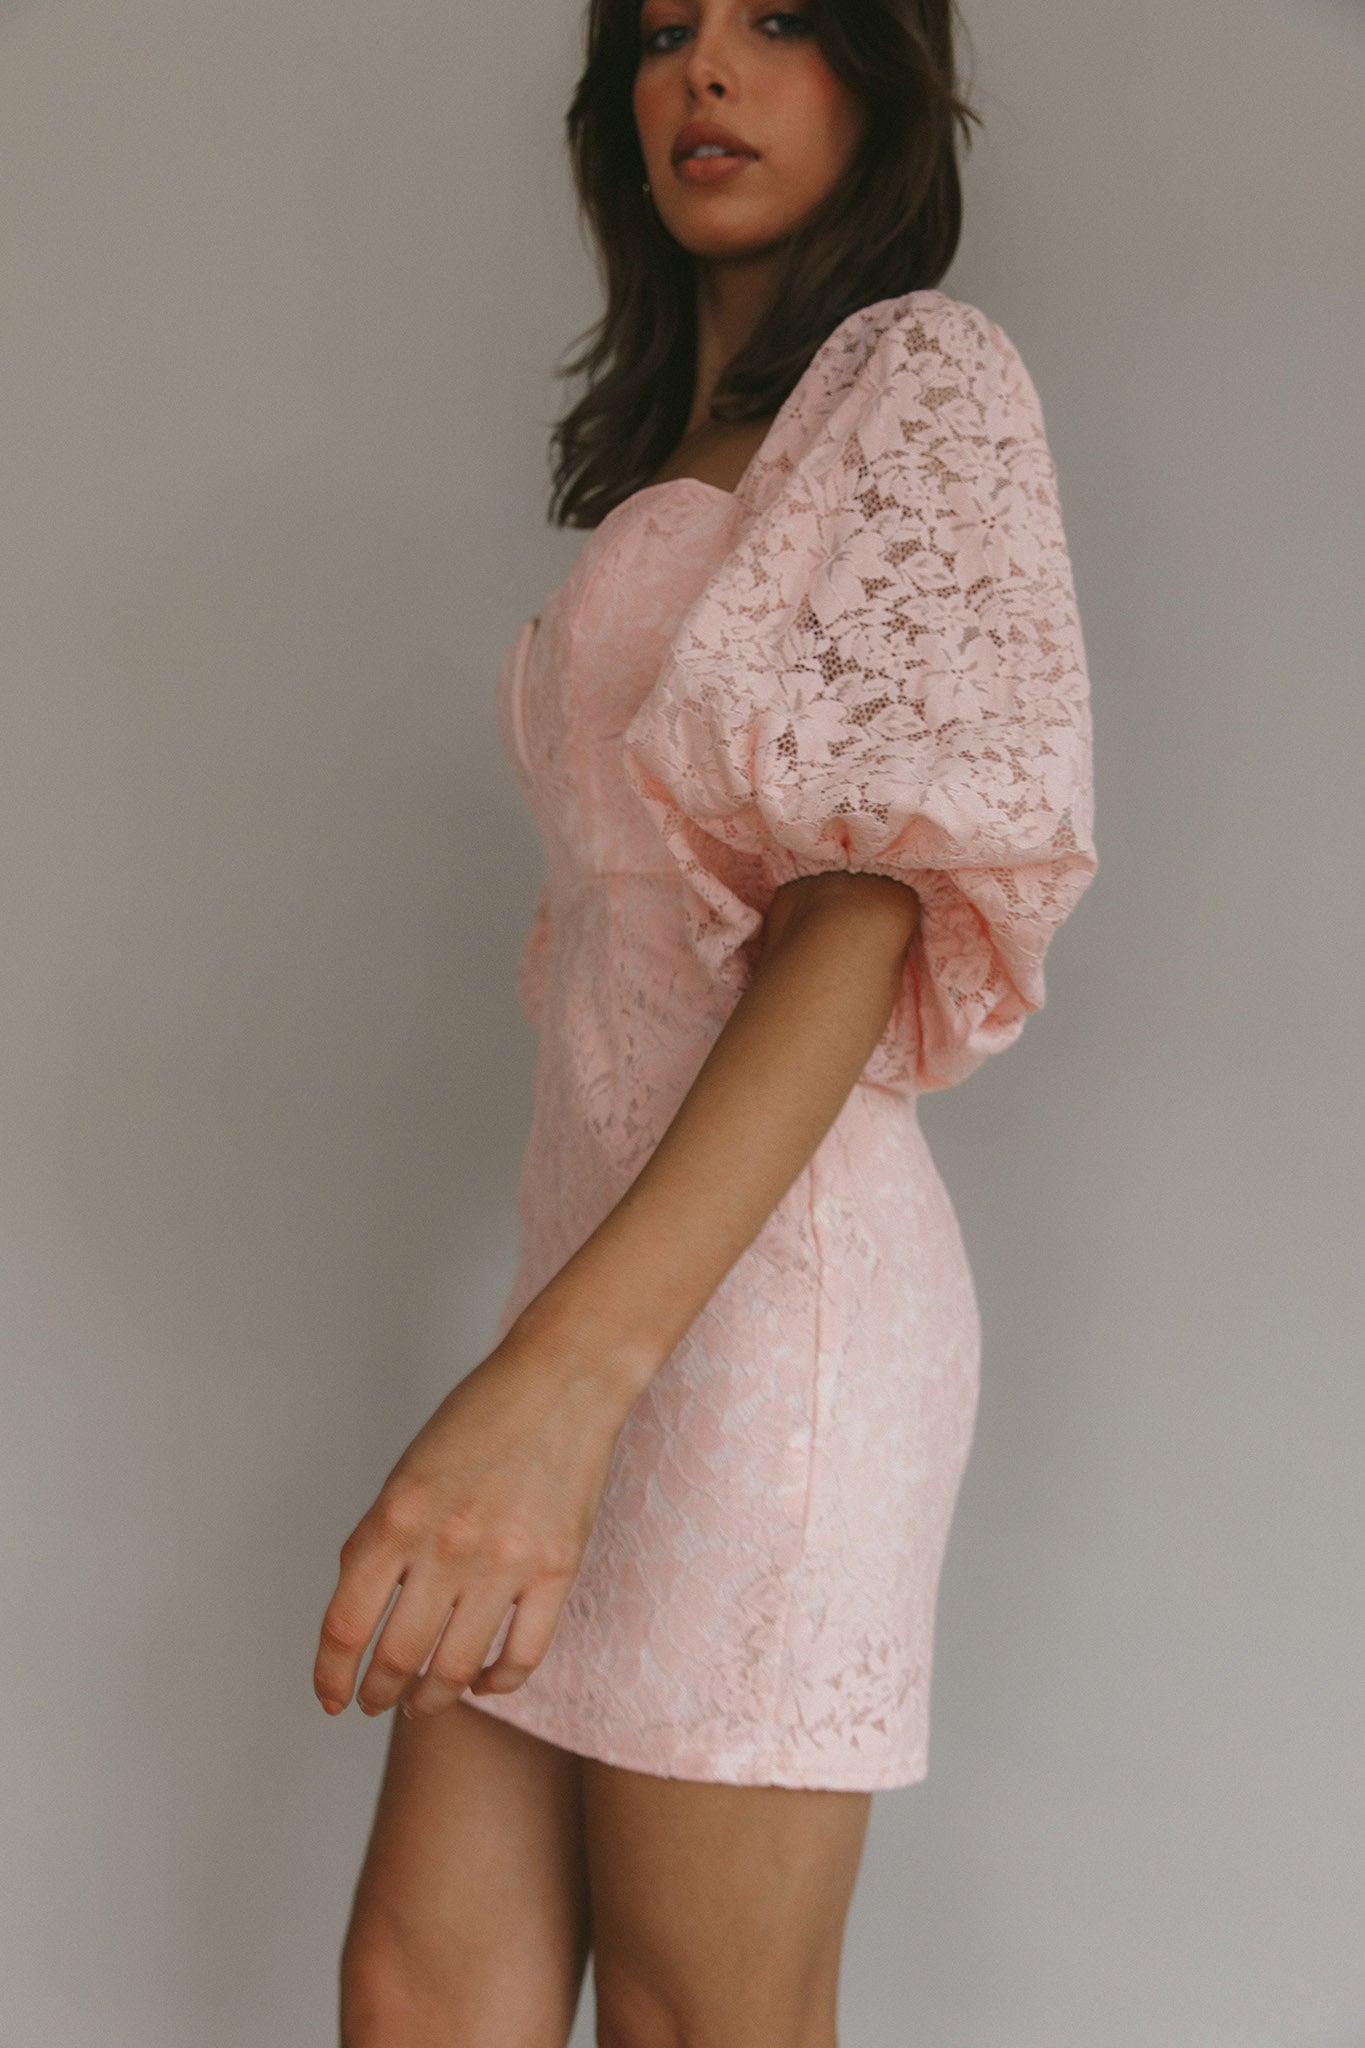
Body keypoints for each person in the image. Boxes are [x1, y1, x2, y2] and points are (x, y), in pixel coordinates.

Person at [317, 2, 1097, 2041]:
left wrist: (553, 1391)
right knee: (421, 1991)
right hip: (593, 1273)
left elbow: (857, 904)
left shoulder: (920, 374)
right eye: (663, 30)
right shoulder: (694, 448)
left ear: (883, 76)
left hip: (763, 1322)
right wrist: (547, 1355)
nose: (707, 72)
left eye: (777, 22)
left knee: (700, 2018)